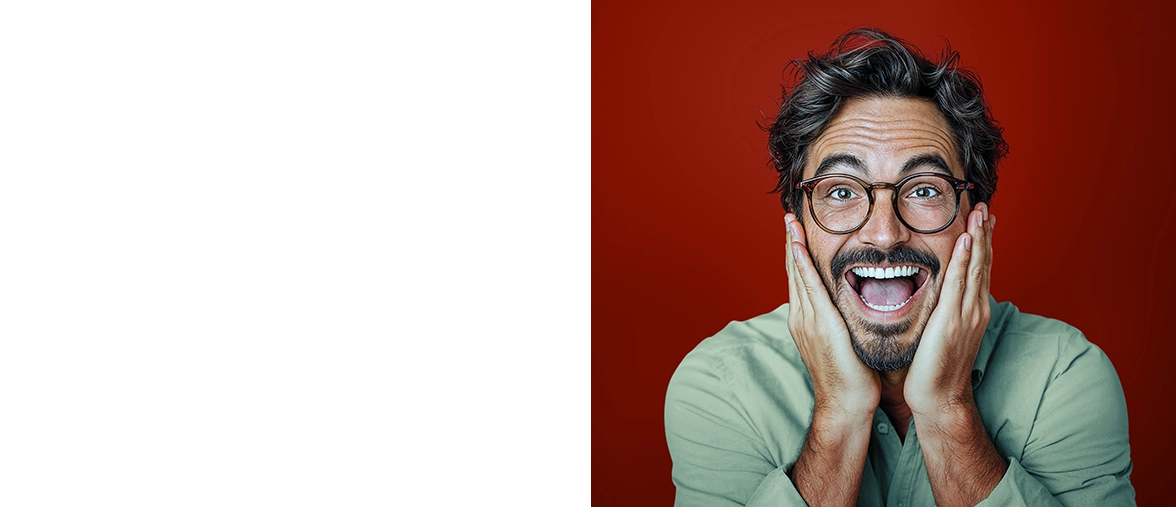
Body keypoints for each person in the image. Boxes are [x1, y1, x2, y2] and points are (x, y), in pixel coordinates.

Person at [664, 29, 1134, 506]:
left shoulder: (1064, 377)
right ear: (797, 226)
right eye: (842, 191)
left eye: (925, 189)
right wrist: (839, 413)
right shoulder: (721, 385)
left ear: (978, 221)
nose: (885, 234)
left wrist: (947, 408)